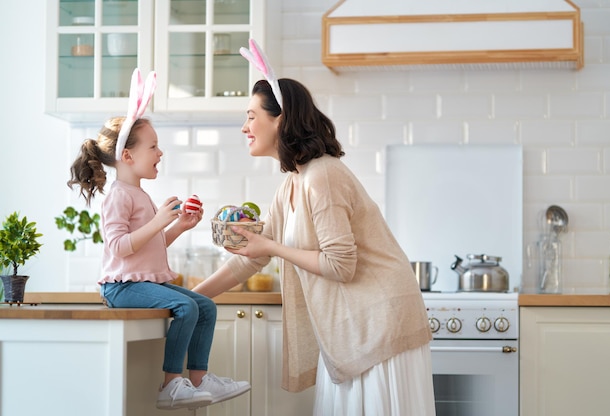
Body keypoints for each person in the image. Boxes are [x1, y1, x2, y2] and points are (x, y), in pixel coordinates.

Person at [192, 50, 436, 414]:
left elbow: (341, 265)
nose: (244, 128)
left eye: (251, 117)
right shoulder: (293, 183)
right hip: (355, 328)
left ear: (280, 120)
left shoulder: (322, 175)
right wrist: (188, 300)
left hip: (381, 324)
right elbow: (251, 258)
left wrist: (272, 245)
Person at [67, 69, 250, 411]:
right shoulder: (118, 196)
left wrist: (178, 226)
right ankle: (170, 384)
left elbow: (148, 247)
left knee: (205, 306)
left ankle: (198, 378)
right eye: (153, 147)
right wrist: (156, 221)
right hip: (120, 287)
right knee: (186, 306)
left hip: (138, 280)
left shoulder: (138, 193)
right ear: (128, 156)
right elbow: (119, 248)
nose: (160, 153)